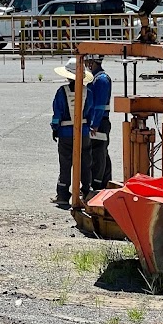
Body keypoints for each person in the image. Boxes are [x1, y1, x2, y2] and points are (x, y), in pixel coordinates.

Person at [50, 56, 94, 208]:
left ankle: (62, 195)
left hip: (66, 133)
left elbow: (57, 114)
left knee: (65, 164)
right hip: (84, 132)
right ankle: (86, 192)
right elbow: (91, 113)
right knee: (85, 164)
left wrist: (55, 129)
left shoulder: (62, 92)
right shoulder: (88, 92)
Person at [86, 54, 113, 190]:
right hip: (99, 122)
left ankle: (98, 184)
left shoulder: (101, 80)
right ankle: (105, 182)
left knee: (98, 154)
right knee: (102, 153)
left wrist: (94, 124)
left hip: (100, 123)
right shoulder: (97, 78)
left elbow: (99, 105)